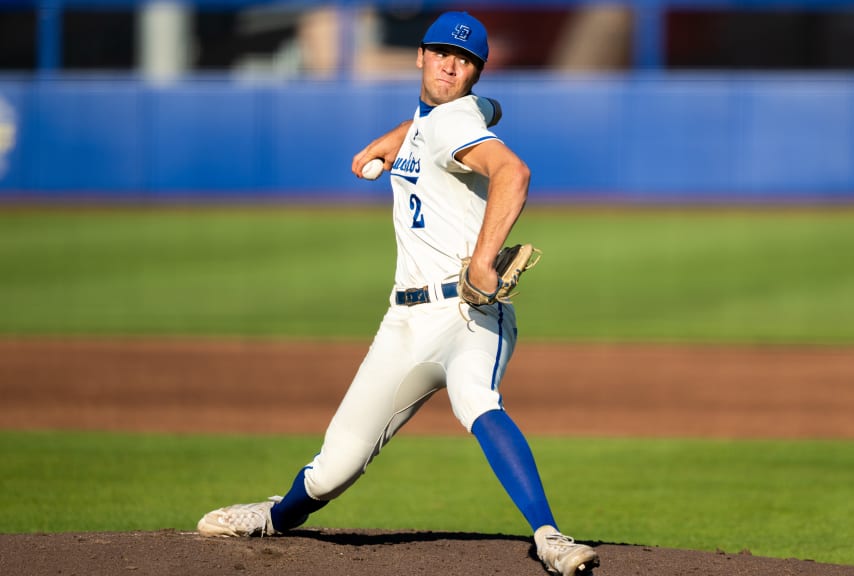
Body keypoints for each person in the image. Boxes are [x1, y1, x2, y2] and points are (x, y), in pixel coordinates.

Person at [196, 11, 600, 576]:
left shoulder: (453, 122)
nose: (450, 65)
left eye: (464, 61)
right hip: (404, 324)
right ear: (421, 55)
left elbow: (514, 173)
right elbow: (452, 118)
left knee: (479, 404)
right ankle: (275, 516)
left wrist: (484, 260)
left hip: (467, 315)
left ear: (475, 71)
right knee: (334, 468)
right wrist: (393, 140)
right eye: (441, 53)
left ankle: (550, 536)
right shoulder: (452, 115)